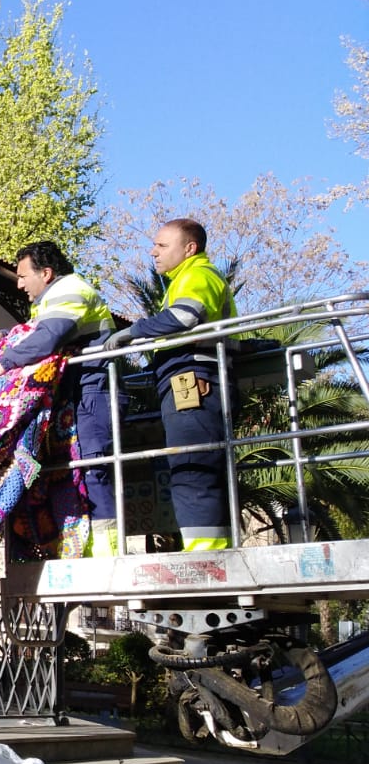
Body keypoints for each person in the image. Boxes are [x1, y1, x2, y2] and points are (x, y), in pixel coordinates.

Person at [101, 217, 236, 551]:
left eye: (162, 245)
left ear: (189, 248)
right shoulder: (186, 278)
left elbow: (185, 317)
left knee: (192, 464)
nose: (153, 252)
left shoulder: (197, 275)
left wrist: (132, 332)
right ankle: (207, 550)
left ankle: (206, 556)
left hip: (193, 378)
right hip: (189, 377)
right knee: (192, 464)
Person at [0, 241, 119, 555]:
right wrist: (4, 336)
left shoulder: (70, 289)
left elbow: (49, 335)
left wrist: (5, 362)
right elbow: (36, 330)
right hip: (74, 391)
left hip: (92, 387)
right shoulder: (50, 298)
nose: (18, 283)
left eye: (22, 275)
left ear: (46, 273)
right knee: (70, 467)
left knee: (92, 464)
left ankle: (107, 549)